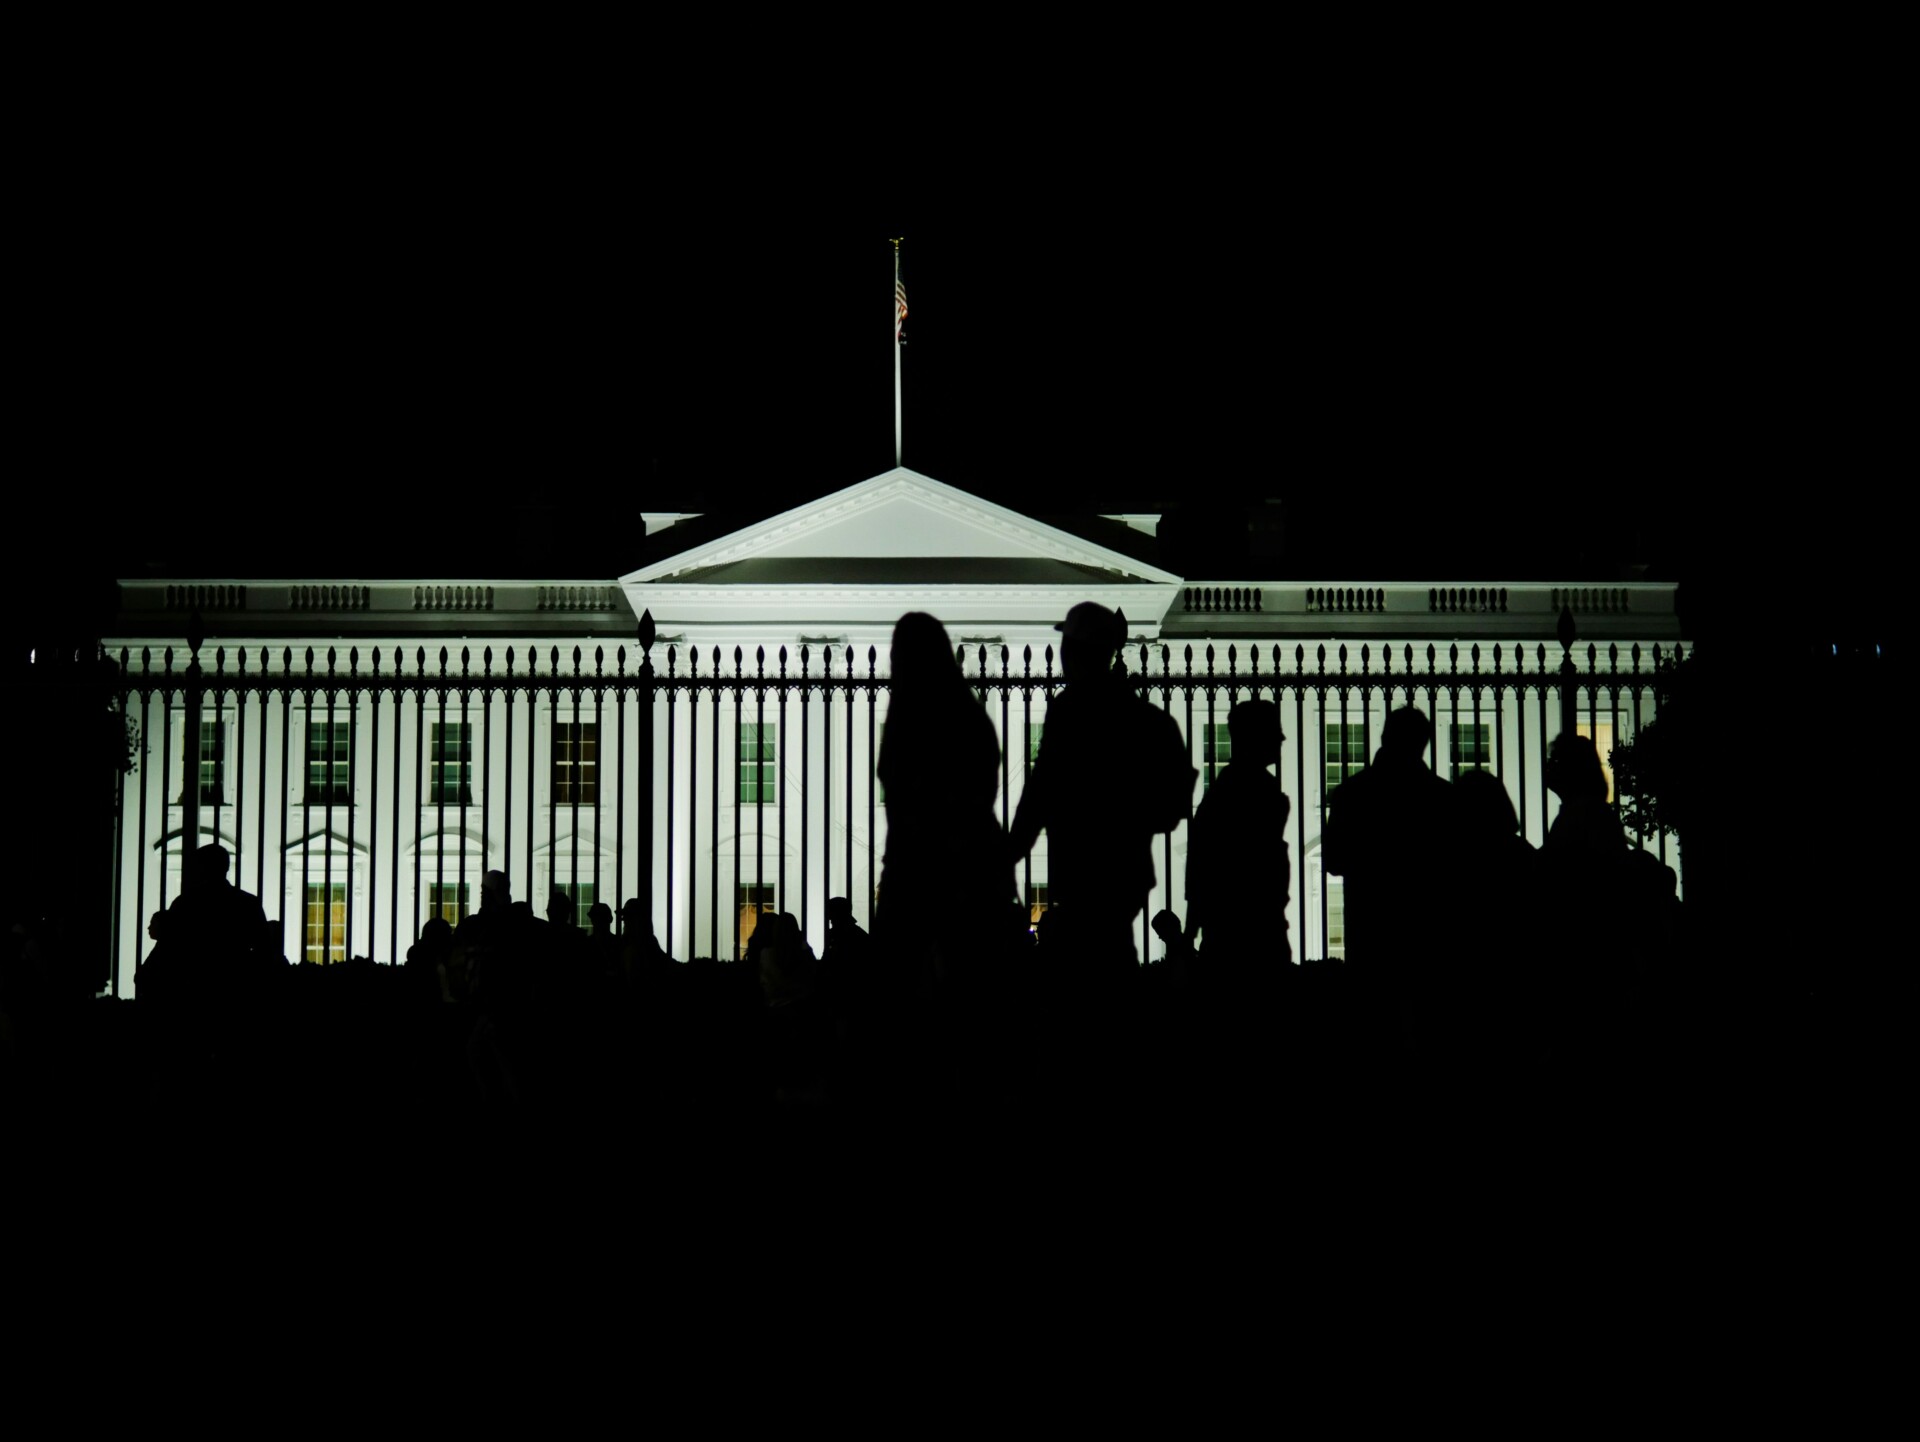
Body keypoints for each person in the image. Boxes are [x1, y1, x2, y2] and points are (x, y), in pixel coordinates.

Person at [1008, 602, 1196, 978]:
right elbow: (1176, 799)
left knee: (1089, 972)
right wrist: (1135, 819)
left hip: (1082, 864)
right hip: (1126, 870)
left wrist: (1011, 850)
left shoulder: (1071, 711)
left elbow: (1041, 789)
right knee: (1113, 958)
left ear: (1075, 652)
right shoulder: (1145, 718)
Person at [872, 612, 1012, 997]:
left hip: (918, 865)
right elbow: (986, 786)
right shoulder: (969, 714)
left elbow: (898, 788)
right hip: (968, 864)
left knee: (896, 987)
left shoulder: (908, 716)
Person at [1322, 707, 1457, 1042]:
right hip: (1427, 937)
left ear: (1384, 738)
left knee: (1374, 1036)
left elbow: (1334, 861)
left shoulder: (1351, 793)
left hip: (1370, 936)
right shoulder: (1442, 797)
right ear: (1423, 744)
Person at [1183, 698, 1291, 979]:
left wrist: (1190, 931)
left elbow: (1199, 868)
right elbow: (1203, 868)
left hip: (1243, 930)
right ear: (1255, 737)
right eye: (1273, 730)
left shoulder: (1231, 789)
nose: (1281, 737)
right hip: (1248, 933)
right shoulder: (1242, 792)